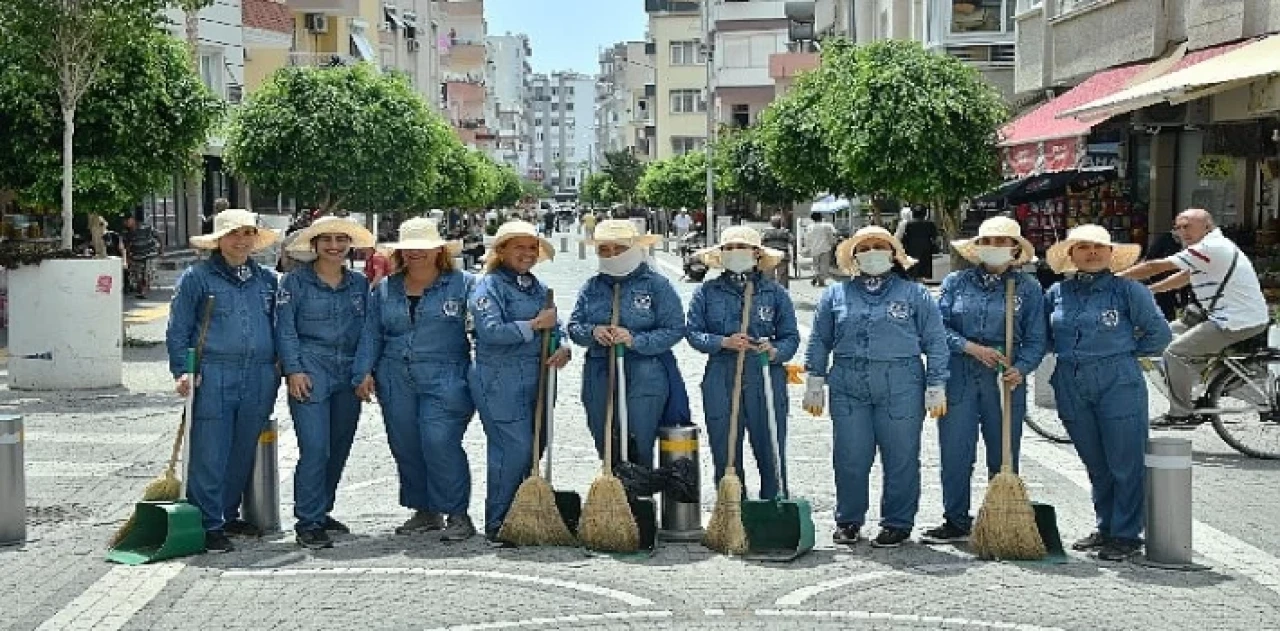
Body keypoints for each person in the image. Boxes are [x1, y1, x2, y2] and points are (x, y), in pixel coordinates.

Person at [802, 226, 949, 548]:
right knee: (850, 455)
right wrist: (814, 379)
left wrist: (936, 382)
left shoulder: (916, 294)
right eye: (864, 247)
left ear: (893, 253)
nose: (871, 252)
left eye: (879, 246)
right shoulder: (835, 295)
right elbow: (820, 339)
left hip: (902, 382)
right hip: (848, 381)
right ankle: (849, 520)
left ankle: (897, 522)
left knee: (901, 456)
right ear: (853, 256)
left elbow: (935, 340)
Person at [1045, 224, 1172, 560]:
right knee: (1095, 461)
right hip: (1070, 381)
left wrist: (1123, 351)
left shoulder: (1129, 291)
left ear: (1111, 253)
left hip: (1118, 381)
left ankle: (1127, 534)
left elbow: (1160, 335)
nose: (1092, 253)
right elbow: (1043, 337)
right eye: (1083, 247)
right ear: (1070, 255)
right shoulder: (1057, 293)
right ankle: (1105, 526)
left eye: (1099, 247)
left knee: (1125, 460)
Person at [921, 217, 1047, 544]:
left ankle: (1002, 521)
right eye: (987, 241)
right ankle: (955, 519)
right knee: (955, 450)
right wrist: (970, 347)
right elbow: (938, 329)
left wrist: (1023, 367)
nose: (993, 248)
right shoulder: (955, 283)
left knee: (1003, 451)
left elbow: (1037, 338)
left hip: (1005, 377)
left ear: (1015, 249)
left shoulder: (1029, 289)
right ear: (977, 247)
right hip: (961, 374)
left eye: (1001, 242)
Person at [352, 218, 479, 542]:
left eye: (422, 248)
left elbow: (487, 326)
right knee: (406, 444)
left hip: (446, 375)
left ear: (439, 250)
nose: (415, 253)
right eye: (408, 248)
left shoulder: (465, 284)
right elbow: (371, 333)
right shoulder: (384, 289)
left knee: (439, 441)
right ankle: (425, 510)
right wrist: (363, 371)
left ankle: (457, 513)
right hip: (395, 376)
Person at [165, 209, 281, 553]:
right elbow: (179, 327)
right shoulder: (196, 278)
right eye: (234, 234)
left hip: (260, 374)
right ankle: (207, 522)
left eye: (247, 233)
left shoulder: (267, 280)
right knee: (210, 450)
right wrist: (182, 370)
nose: (241, 240)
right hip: (213, 371)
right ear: (219, 240)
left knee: (243, 448)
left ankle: (228, 514)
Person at [1118, 208, 1271, 425]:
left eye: (1187, 226)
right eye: (1178, 227)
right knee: (1165, 334)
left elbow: (1156, 266)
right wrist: (1149, 291)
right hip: (1226, 316)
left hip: (1235, 321)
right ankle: (1228, 380)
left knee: (1175, 353)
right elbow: (1185, 277)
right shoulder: (1210, 248)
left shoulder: (1211, 247)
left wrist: (1113, 280)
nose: (1182, 232)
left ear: (1207, 226)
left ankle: (1181, 413)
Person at [469, 221, 572, 542]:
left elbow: (556, 324)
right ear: (501, 251)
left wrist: (563, 346)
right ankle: (498, 521)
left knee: (535, 446)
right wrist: (533, 324)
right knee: (513, 448)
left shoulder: (538, 288)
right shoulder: (488, 287)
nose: (527, 254)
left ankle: (521, 513)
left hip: (538, 376)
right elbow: (491, 331)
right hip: (500, 378)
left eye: (532, 248)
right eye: (519, 247)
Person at [275, 217, 374, 549]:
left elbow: (368, 333)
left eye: (341, 239)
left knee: (338, 448)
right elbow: (285, 329)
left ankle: (323, 510)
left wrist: (363, 373)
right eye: (326, 239)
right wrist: (293, 370)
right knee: (315, 448)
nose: (334, 246)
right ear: (314, 245)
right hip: (310, 370)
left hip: (348, 374)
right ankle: (308, 521)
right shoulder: (294, 283)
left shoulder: (360, 284)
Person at [687, 227, 800, 500]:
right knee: (725, 448)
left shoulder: (774, 293)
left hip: (764, 373)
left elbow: (791, 337)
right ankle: (731, 511)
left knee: (770, 446)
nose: (735, 253)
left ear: (757, 254)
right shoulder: (707, 292)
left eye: (742, 247)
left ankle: (774, 506)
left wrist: (774, 350)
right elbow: (692, 332)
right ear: (721, 254)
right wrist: (722, 342)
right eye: (729, 248)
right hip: (721, 374)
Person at [568, 220, 685, 468]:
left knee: (639, 438)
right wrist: (593, 331)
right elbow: (574, 326)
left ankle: (640, 496)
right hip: (599, 370)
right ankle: (612, 494)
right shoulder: (592, 287)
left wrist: (635, 339)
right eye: (604, 250)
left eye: (619, 248)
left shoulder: (657, 285)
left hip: (646, 371)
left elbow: (675, 329)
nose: (612, 255)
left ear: (634, 249)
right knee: (603, 434)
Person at [1144, 228, 1190, 321]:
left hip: (1182, 278)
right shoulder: (1165, 239)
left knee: (1178, 306)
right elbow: (1150, 258)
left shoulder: (1190, 242)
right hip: (1162, 278)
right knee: (1165, 307)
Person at [123, 213, 162, 299]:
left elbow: (158, 236)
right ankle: (141, 289)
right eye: (125, 222)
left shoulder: (146, 227)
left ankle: (143, 291)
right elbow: (127, 246)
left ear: (132, 219)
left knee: (147, 273)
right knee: (137, 275)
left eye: (127, 221)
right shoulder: (127, 232)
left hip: (149, 254)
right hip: (136, 256)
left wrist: (161, 249)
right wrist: (128, 258)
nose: (126, 223)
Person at [900, 207, 939, 281]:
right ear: (925, 214)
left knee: (913, 271)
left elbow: (905, 237)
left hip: (911, 250)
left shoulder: (909, 224)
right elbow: (934, 238)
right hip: (926, 250)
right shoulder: (930, 224)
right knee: (923, 271)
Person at [760, 215, 794, 289]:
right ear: (780, 223)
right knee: (782, 277)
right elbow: (792, 240)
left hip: (770, 256)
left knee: (768, 276)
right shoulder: (785, 232)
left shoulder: (766, 232)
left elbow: (760, 242)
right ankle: (782, 292)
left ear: (771, 223)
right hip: (783, 256)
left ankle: (769, 291)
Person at [804, 212, 838, 287]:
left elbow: (807, 238)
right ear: (821, 217)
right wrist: (833, 242)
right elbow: (830, 236)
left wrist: (808, 247)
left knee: (815, 264)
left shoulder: (810, 227)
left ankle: (816, 275)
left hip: (814, 248)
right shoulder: (826, 226)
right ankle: (821, 281)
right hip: (825, 248)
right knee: (824, 265)